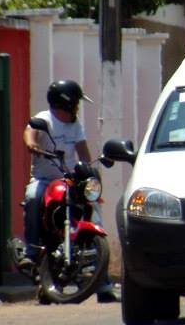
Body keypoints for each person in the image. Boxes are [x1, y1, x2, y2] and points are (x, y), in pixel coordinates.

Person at [22, 79, 116, 303]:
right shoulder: (44, 119)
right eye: (75, 103)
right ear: (64, 103)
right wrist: (33, 146)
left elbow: (83, 152)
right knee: (33, 197)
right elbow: (30, 132)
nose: (77, 108)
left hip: (69, 180)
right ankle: (31, 252)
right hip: (45, 179)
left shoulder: (76, 125)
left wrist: (91, 172)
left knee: (94, 213)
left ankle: (103, 285)